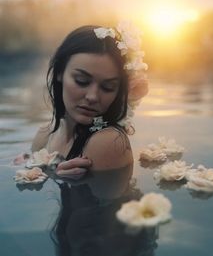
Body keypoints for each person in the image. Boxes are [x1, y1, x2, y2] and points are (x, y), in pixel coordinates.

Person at [31, 22, 148, 177]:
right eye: (81, 81)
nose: (92, 97)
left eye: (107, 87)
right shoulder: (44, 136)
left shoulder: (108, 142)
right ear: (60, 73)